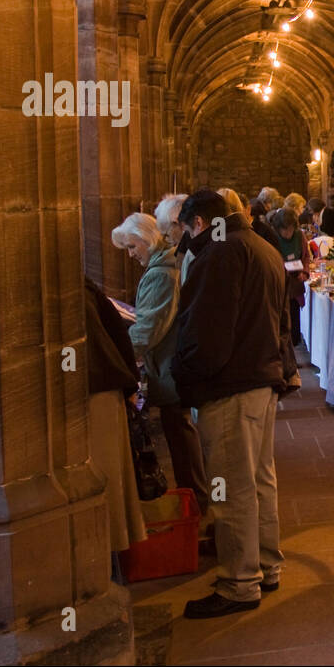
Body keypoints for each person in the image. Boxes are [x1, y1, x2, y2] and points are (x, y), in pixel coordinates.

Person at [171, 190, 297, 618]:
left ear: (201, 223)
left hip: (230, 386)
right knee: (259, 480)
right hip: (260, 379)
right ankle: (265, 564)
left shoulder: (221, 255)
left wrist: (184, 374)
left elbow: (208, 334)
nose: (188, 240)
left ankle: (240, 583)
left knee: (231, 486)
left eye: (187, 230)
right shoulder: (260, 246)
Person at [110, 213, 210, 518]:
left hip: (170, 368)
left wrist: (120, 355)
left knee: (181, 436)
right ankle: (195, 501)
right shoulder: (166, 266)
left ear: (145, 238)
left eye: (131, 246)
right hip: (169, 366)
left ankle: (196, 504)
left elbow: (149, 327)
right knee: (180, 433)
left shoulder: (160, 273)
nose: (130, 254)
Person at [82, 277, 148, 559]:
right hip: (108, 384)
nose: (132, 254)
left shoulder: (71, 289)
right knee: (115, 480)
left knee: (107, 480)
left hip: (98, 389)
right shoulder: (82, 286)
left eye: (133, 246)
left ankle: (104, 557)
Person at [269, 206, 309, 346]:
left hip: (295, 285)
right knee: (281, 325)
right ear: (278, 228)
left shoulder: (299, 235)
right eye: (285, 230)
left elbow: (305, 256)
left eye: (291, 229)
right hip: (279, 286)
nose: (288, 233)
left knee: (294, 325)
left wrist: (304, 272)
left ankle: (294, 349)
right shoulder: (272, 237)